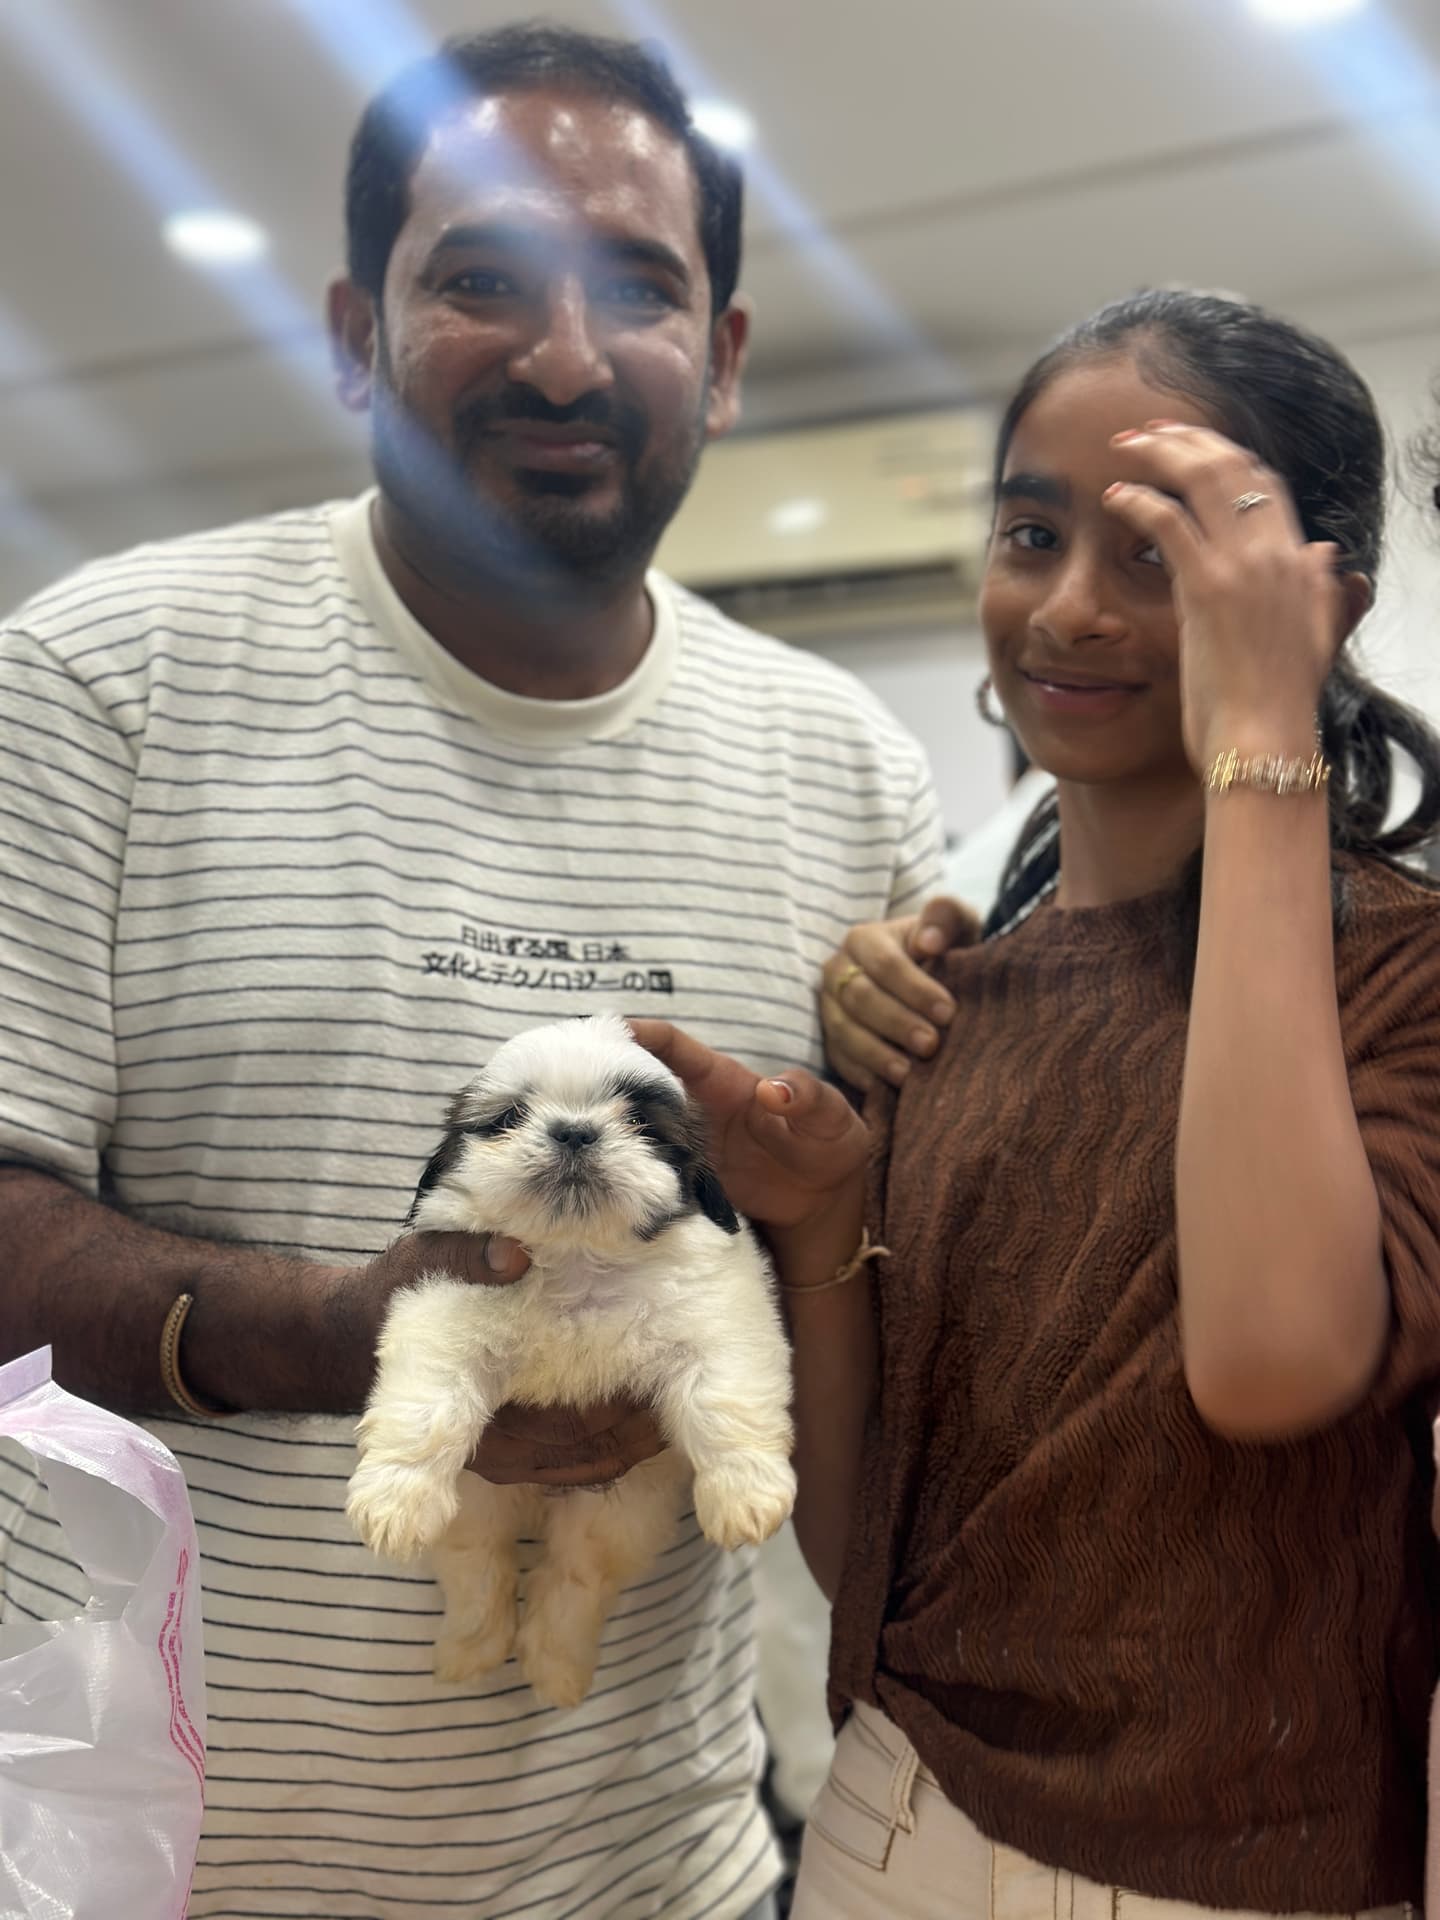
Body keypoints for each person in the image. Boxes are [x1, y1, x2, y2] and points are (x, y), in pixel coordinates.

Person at [0, 25, 942, 1920]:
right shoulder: (94, 680)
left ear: (728, 359)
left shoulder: (849, 769)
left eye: (640, 291)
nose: (567, 356)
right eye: (483, 282)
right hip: (139, 1868)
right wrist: (356, 1338)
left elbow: (892, 1295)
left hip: (654, 1874)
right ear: (356, 331)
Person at [641, 289, 1440, 1915]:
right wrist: (818, 1226)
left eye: (1156, 552)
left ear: (1320, 600)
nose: (1068, 609)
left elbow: (1273, 1358)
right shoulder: (945, 995)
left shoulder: (1406, 973)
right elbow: (865, 1555)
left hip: (1257, 1866)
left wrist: (1262, 737)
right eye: (1030, 532)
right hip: (894, 1822)